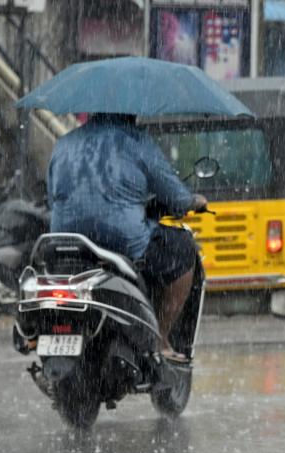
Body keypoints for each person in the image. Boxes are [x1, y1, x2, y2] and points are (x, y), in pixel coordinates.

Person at [47, 113, 207, 362]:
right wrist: (193, 201)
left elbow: (53, 196)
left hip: (65, 241)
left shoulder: (63, 144)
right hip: (122, 242)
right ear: (129, 112)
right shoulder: (137, 142)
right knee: (184, 250)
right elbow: (176, 198)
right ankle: (161, 339)